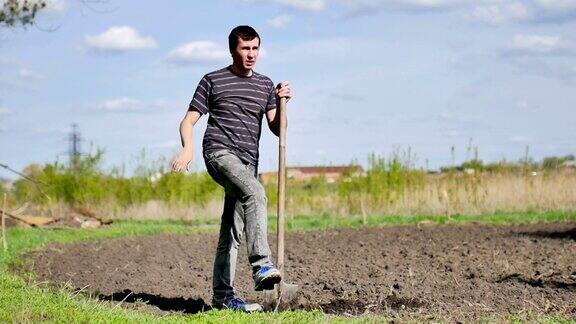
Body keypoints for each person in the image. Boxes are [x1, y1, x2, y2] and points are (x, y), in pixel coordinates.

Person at [171, 25, 292, 312]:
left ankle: (223, 298)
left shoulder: (264, 85)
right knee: (256, 193)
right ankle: (262, 265)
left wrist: (282, 103)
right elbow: (188, 120)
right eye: (245, 48)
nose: (251, 54)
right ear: (232, 50)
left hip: (248, 162)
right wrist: (187, 148)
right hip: (219, 153)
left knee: (232, 232)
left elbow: (278, 129)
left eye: (255, 48)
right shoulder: (213, 80)